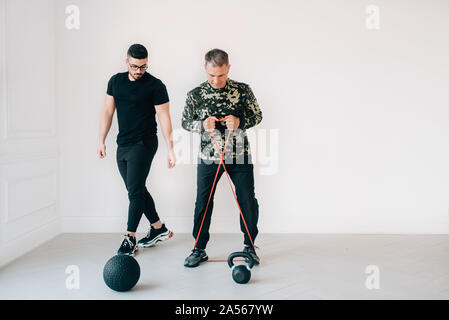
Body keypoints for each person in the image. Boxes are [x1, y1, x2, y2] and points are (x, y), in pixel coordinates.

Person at [181, 48, 263, 267]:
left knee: (247, 200)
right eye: (211, 75)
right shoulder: (195, 94)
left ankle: (249, 246)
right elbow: (185, 122)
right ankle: (198, 248)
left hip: (239, 157)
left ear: (228, 68)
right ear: (205, 69)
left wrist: (240, 121)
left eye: (221, 75)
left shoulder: (243, 90)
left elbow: (257, 115)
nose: (216, 80)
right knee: (203, 203)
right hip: (209, 158)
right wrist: (201, 125)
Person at [98, 44, 176, 256]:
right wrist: (101, 140)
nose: (139, 71)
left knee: (135, 191)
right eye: (135, 66)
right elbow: (107, 111)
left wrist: (171, 148)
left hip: (144, 143)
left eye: (143, 67)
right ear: (127, 62)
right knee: (137, 189)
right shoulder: (116, 81)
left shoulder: (155, 85)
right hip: (122, 143)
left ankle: (129, 237)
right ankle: (158, 228)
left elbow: (164, 117)